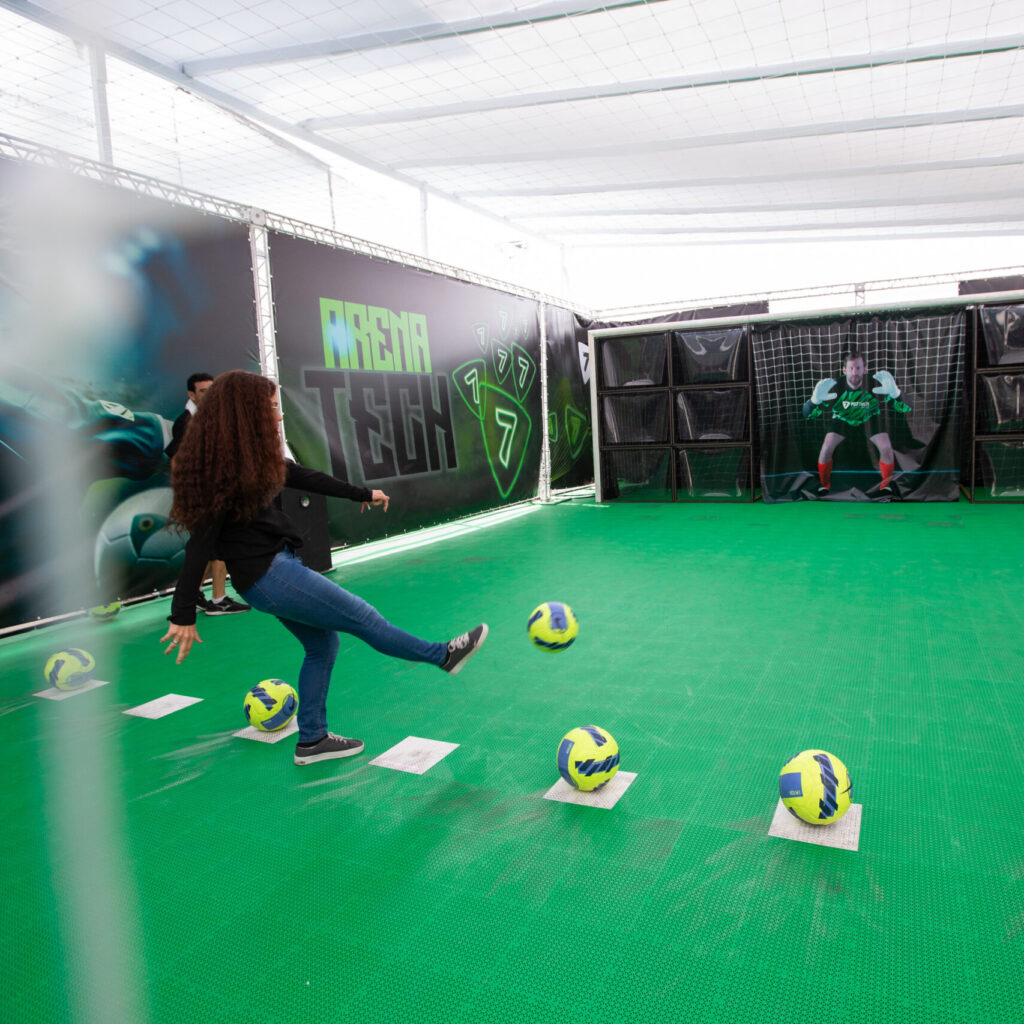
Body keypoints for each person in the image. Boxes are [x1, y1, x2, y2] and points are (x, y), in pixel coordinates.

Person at [159, 370, 487, 765]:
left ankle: (312, 740)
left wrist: (361, 493)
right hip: (269, 575)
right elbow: (201, 542)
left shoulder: (246, 459)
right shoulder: (223, 473)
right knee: (363, 618)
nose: (279, 418)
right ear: (247, 414)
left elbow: (301, 476)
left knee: (322, 644)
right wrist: (182, 614)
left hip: (267, 575)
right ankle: (442, 656)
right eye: (273, 410)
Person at [165, 371, 250, 615]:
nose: (211, 395)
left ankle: (193, 595)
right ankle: (218, 600)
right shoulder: (186, 422)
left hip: (214, 494)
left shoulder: (211, 417)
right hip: (201, 498)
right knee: (218, 548)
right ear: (191, 394)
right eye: (204, 391)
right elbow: (177, 460)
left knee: (204, 549)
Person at [803, 350, 911, 499]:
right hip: (842, 419)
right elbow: (807, 416)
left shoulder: (875, 384)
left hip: (870, 418)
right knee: (826, 448)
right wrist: (813, 401)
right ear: (844, 370)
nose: (855, 372)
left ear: (865, 369)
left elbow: (907, 409)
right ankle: (824, 485)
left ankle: (886, 487)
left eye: (858, 368)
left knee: (886, 447)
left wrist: (896, 394)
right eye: (851, 368)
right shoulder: (835, 386)